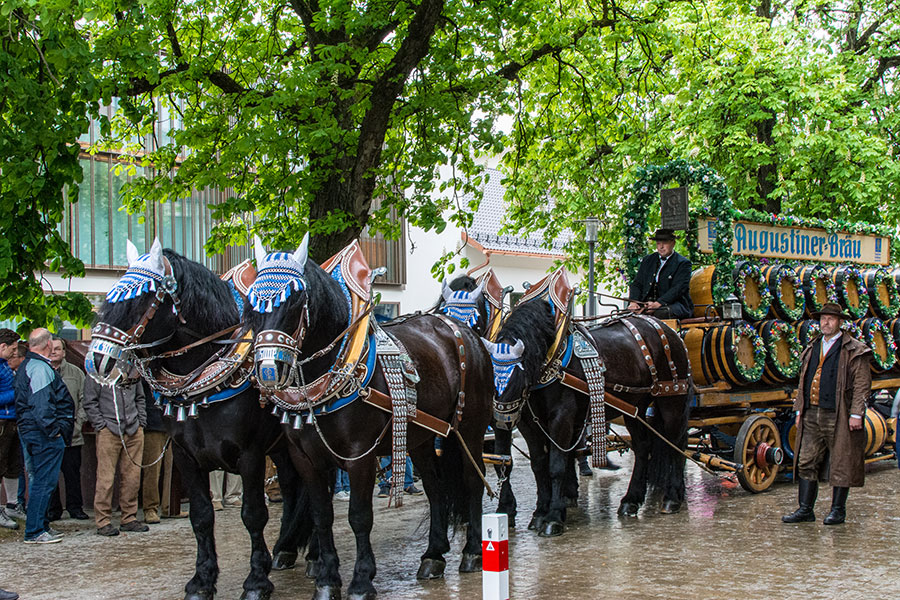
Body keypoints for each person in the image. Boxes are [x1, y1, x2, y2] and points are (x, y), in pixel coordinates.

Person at [782, 302, 872, 526]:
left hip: (839, 413)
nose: (826, 322)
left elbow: (862, 384)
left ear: (840, 322)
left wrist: (856, 414)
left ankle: (837, 511)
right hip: (812, 413)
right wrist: (800, 408)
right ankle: (805, 509)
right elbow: (804, 379)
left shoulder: (854, 349)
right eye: (823, 318)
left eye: (831, 319)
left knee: (841, 460)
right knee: (806, 460)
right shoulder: (813, 346)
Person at [14, 328, 74, 544]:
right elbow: (42, 405)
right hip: (43, 434)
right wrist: (54, 431)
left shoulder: (28, 366)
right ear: (48, 344)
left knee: (41, 480)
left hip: (32, 431)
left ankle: (41, 525)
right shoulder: (39, 368)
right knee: (43, 482)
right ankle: (35, 530)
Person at [83, 372, 149, 536]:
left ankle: (129, 517)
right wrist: (101, 425)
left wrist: (141, 422)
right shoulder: (96, 371)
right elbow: (90, 402)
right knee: (105, 478)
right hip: (109, 429)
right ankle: (103, 521)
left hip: (133, 429)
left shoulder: (131, 369)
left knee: (133, 476)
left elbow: (140, 398)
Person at [47, 338, 89, 521]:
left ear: (64, 352)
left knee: (72, 474)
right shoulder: (43, 372)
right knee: (51, 475)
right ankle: (53, 510)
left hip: (72, 435)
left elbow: (84, 401)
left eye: (58, 349)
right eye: (51, 349)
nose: (54, 352)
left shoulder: (76, 373)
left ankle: (75, 508)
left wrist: (77, 425)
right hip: (49, 434)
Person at [627, 228, 693, 319]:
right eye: (658, 243)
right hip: (647, 305)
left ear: (673, 243)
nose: (661, 247)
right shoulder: (648, 260)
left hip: (674, 305)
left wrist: (658, 303)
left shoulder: (683, 263)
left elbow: (679, 288)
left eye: (664, 243)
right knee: (625, 314)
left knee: (660, 313)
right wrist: (634, 302)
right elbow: (637, 284)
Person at [0, 329, 22, 529]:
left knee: (13, 465)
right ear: (2, 346)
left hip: (13, 420)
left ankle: (12, 504)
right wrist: (16, 393)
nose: (15, 353)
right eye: (12, 349)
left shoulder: (5, 366)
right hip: (2, 421)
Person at [140, 382, 166, 524]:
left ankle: (170, 507)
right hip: (153, 423)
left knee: (172, 470)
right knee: (152, 470)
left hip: (173, 420)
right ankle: (150, 508)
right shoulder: (146, 369)